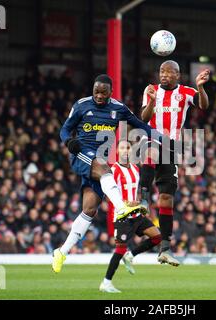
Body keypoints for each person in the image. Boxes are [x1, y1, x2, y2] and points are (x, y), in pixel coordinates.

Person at [52, 74, 168, 273]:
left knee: (89, 210)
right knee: (105, 167)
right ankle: (122, 206)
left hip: (98, 164)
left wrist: (164, 139)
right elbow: (64, 130)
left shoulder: (118, 108)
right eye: (96, 91)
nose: (98, 96)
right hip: (82, 154)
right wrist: (68, 142)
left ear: (110, 93)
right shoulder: (81, 105)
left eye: (103, 93)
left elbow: (141, 125)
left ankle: (62, 252)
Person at [139, 60, 210, 266]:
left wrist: (200, 87)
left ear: (178, 75)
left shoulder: (186, 92)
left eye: (169, 72)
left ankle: (165, 247)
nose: (164, 75)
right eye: (162, 71)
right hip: (152, 139)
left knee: (167, 198)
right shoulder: (151, 90)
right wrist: (152, 101)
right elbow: (144, 118)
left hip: (172, 147)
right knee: (151, 146)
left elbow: (204, 105)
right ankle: (143, 198)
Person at [100, 140, 161, 293]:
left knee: (157, 237)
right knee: (120, 249)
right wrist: (125, 202)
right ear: (118, 151)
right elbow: (108, 194)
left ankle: (131, 255)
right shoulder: (112, 170)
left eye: (128, 147)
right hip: (122, 216)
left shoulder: (135, 168)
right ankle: (106, 283)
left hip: (137, 214)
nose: (126, 150)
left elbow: (135, 190)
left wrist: (140, 203)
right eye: (122, 148)